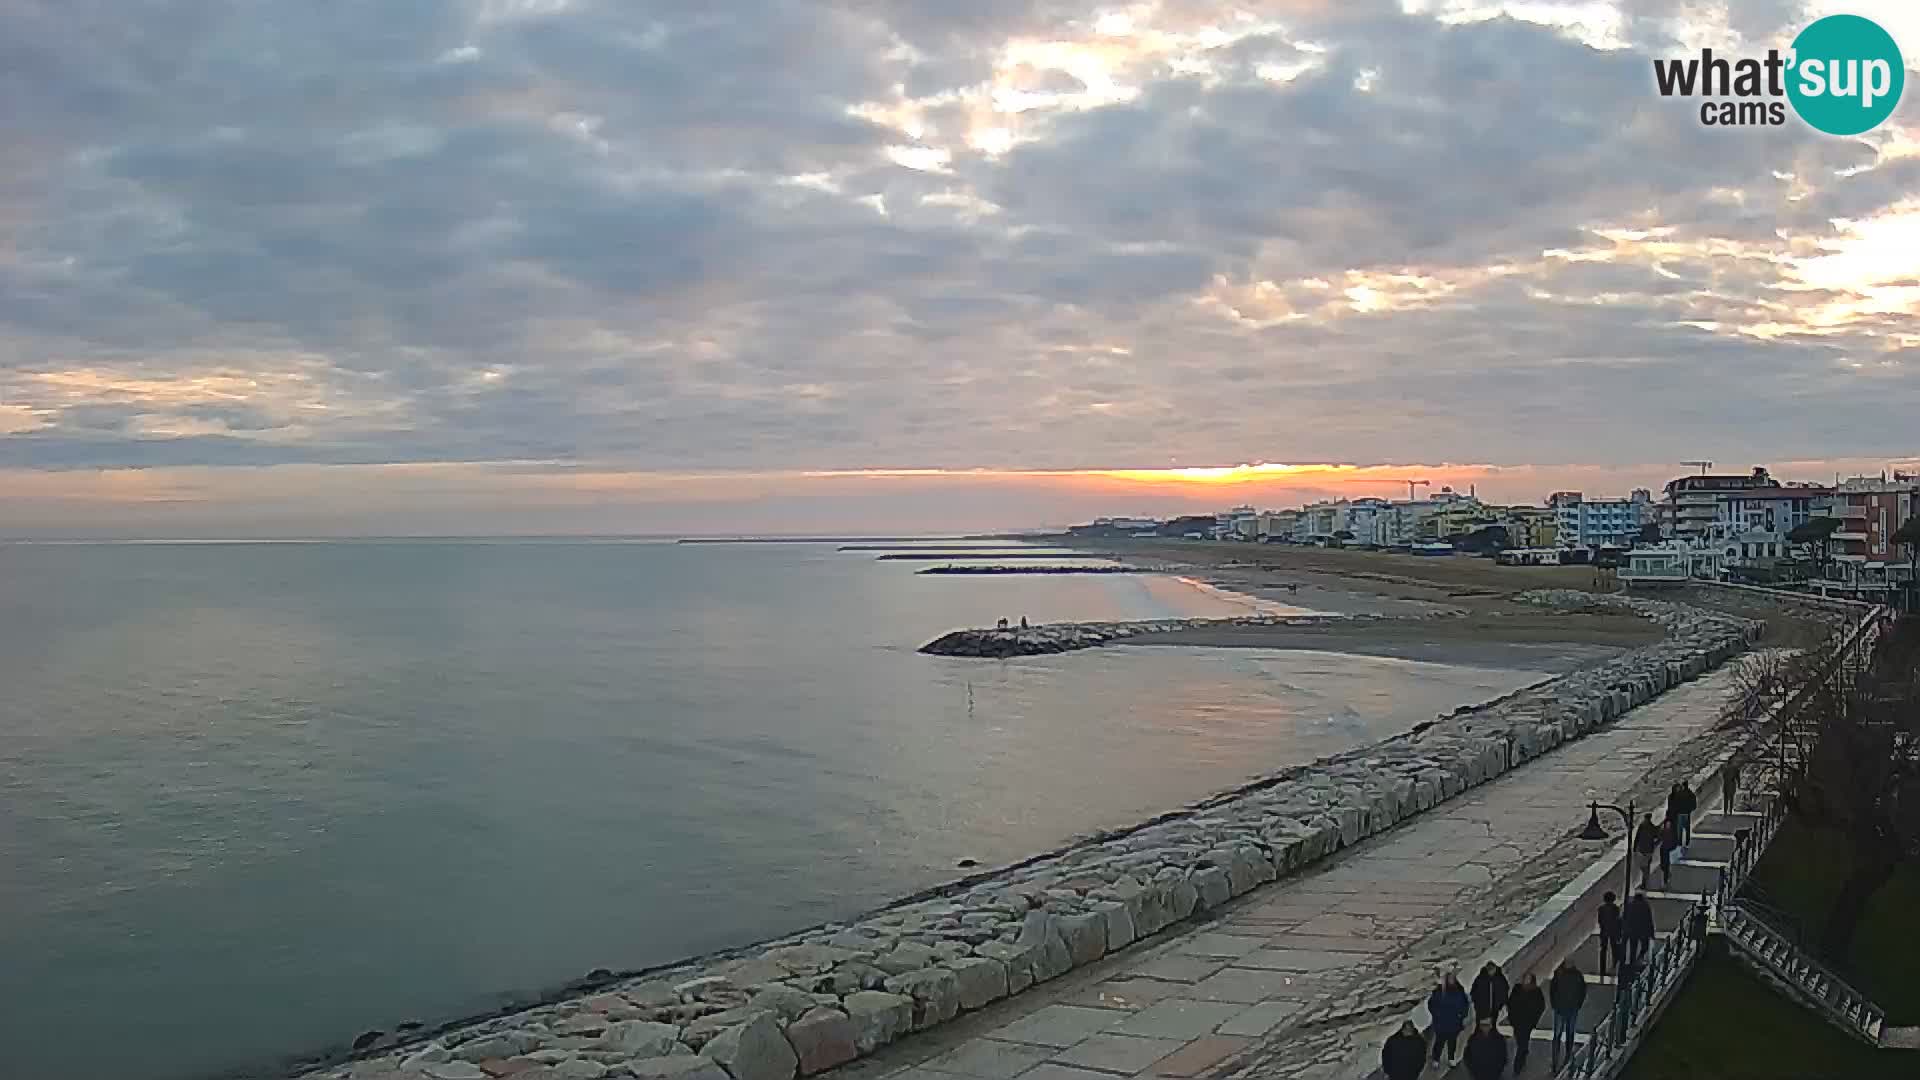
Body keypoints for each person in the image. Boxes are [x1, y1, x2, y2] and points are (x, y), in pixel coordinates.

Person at [1549, 960, 1588, 1073]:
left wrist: (1555, 1005)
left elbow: (1552, 991)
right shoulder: (1576, 975)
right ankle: (1562, 1059)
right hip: (1567, 1009)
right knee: (1566, 1034)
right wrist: (1577, 1004)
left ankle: (1560, 1059)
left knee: (1560, 1035)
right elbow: (1582, 991)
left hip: (1565, 1009)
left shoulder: (1561, 974)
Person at [1428, 970, 1471, 1067]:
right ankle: (1436, 1059)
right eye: (1449, 978)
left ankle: (1451, 1058)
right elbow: (1431, 1004)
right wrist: (1437, 1015)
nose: (1451, 980)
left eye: (1453, 978)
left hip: (1454, 1022)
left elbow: (1465, 1004)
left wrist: (1462, 1015)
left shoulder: (1459, 990)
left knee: (1452, 1042)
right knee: (1439, 1042)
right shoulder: (1439, 991)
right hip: (1441, 1022)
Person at [1507, 971, 1546, 1075]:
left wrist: (1534, 1021)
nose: (1525, 981)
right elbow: (1510, 1004)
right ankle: (1523, 1055)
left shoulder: (1536, 992)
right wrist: (1511, 1019)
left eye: (1528, 979)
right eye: (1525, 978)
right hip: (1517, 1023)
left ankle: (1517, 1067)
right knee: (1521, 1042)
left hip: (1527, 1024)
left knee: (1522, 1044)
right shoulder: (1517, 989)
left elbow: (1541, 1007)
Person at [1470, 961, 1509, 1026]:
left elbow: (1505, 991)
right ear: (1486, 968)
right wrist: (1477, 1005)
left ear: (1495, 968)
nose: (1490, 970)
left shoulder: (1500, 978)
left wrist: (1502, 1004)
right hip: (1482, 1010)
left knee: (1492, 1027)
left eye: (1492, 968)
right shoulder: (1480, 978)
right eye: (1489, 968)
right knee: (1480, 1027)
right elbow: (1473, 992)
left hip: (1495, 1010)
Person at [1624, 890, 1657, 967]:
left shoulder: (1630, 905)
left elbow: (1627, 919)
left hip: (1633, 930)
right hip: (1643, 930)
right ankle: (1639, 958)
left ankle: (1632, 962)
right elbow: (1649, 919)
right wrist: (1652, 932)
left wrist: (1626, 930)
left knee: (1633, 947)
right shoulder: (1645, 905)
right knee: (1645, 947)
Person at [1597, 891, 1625, 976]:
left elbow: (1600, 921)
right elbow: (1618, 921)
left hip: (1604, 931)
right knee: (1614, 950)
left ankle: (1602, 970)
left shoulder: (1601, 909)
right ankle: (1614, 967)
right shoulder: (1616, 908)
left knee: (1603, 950)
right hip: (1613, 931)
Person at [1633, 814, 1661, 889]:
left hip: (1643, 849)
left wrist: (1635, 848)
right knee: (1645, 866)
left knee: (1643, 866)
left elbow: (1637, 837)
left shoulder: (1642, 826)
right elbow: (1659, 837)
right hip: (1648, 850)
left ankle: (1644, 883)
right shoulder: (1652, 827)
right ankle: (1645, 882)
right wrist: (1654, 844)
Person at [1668, 780, 1697, 849]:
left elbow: (1675, 804)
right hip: (1687, 813)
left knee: (1680, 829)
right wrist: (1690, 810)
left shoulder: (1679, 794)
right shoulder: (1691, 793)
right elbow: (1694, 804)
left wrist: (1676, 811)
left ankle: (1679, 843)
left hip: (1680, 813)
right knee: (1687, 829)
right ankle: (1687, 843)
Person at [1658, 815, 1680, 889]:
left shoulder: (1673, 832)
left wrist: (1671, 848)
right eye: (1667, 824)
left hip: (1668, 851)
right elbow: (1659, 837)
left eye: (1669, 824)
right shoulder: (1663, 831)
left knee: (1666, 866)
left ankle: (1665, 881)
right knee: (1663, 866)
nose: (1668, 825)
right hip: (1663, 850)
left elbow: (1675, 842)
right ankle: (1666, 877)